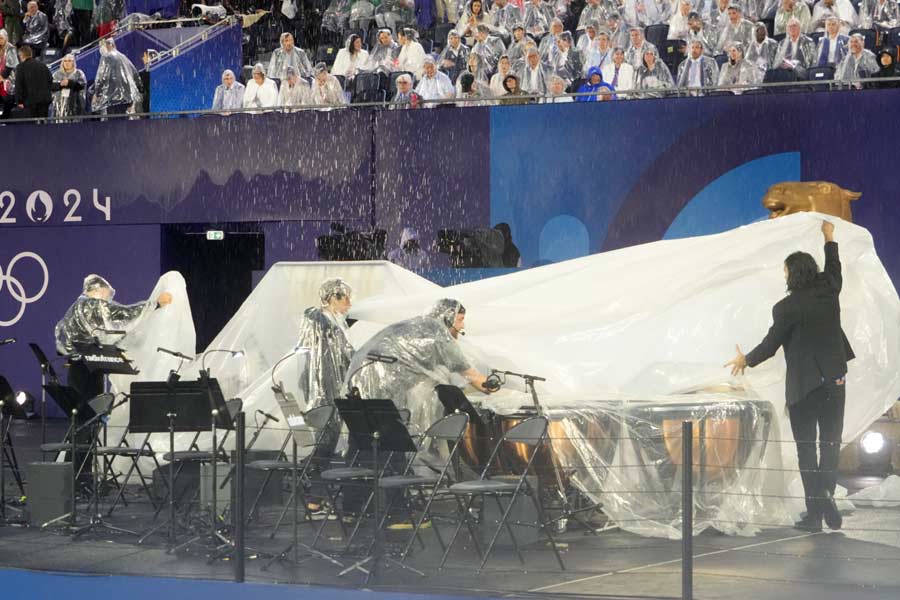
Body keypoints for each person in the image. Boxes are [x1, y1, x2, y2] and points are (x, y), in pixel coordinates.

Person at [725, 221, 853, 533]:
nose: (783, 276)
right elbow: (833, 265)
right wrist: (829, 237)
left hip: (803, 388)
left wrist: (745, 360)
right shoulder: (829, 289)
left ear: (792, 274)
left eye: (785, 271)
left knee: (806, 449)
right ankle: (826, 493)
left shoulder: (785, 308)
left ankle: (815, 515)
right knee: (831, 444)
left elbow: (770, 346)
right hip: (834, 382)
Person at [345, 298, 494, 426]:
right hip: (383, 381)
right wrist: (498, 389)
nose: (462, 326)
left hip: (358, 376)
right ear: (448, 318)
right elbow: (475, 378)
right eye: (460, 320)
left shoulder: (417, 324)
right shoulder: (439, 334)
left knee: (365, 431)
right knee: (390, 431)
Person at [56, 274, 173, 402]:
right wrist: (156, 304)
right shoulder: (92, 306)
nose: (107, 300)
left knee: (79, 408)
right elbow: (124, 314)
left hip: (75, 369)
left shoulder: (74, 308)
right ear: (98, 290)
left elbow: (62, 339)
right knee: (92, 407)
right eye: (106, 295)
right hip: (89, 368)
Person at [295, 278, 355, 470]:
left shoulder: (337, 324)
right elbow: (318, 356)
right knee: (326, 435)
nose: (350, 304)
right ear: (333, 298)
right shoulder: (317, 320)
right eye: (346, 298)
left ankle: (317, 472)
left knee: (331, 436)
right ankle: (314, 474)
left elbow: (346, 353)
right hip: (323, 388)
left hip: (335, 388)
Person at [92, 38, 142, 116]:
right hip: (126, 97)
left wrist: (97, 93)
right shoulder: (123, 57)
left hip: (111, 97)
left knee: (113, 120)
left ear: (108, 45)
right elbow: (135, 73)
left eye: (102, 46)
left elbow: (102, 77)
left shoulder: (106, 57)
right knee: (123, 120)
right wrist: (139, 89)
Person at [13, 45, 51, 118]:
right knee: (43, 123)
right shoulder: (43, 65)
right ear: (31, 54)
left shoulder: (20, 67)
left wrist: (19, 101)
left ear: (21, 55)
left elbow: (18, 85)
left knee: (31, 124)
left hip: (29, 102)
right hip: (44, 101)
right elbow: (50, 80)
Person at [50, 54, 86, 118]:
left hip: (74, 104)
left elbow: (81, 85)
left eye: (69, 61)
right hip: (58, 106)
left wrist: (69, 83)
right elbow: (51, 86)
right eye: (65, 61)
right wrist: (60, 84)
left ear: (73, 62)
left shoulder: (79, 73)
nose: (67, 63)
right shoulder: (56, 74)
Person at [0, 29, 18, 117]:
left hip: (9, 79)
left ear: (6, 38)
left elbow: (10, 66)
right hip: (1, 78)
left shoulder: (11, 49)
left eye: (1, 38)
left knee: (7, 99)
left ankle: (6, 117)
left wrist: (1, 77)